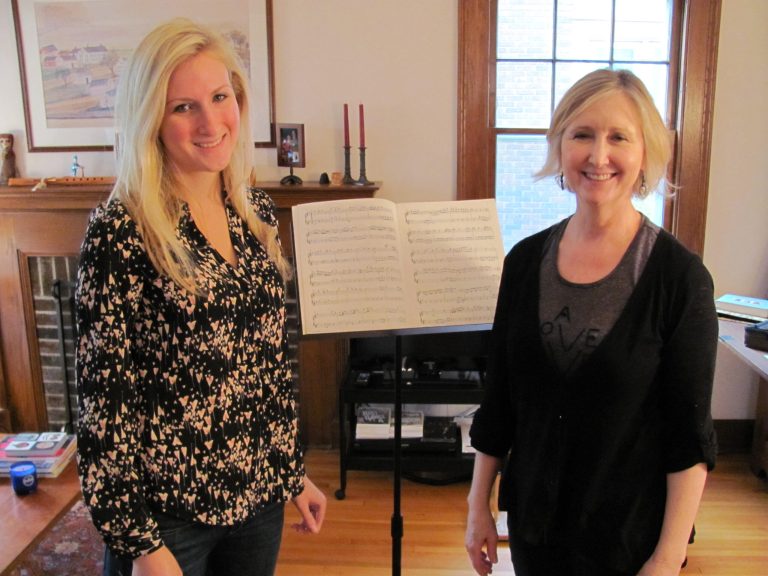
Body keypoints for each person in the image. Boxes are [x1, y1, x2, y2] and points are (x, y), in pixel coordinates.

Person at [75, 18, 326, 576]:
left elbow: (264, 367)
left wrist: (290, 472)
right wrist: (137, 542)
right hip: (168, 519)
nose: (211, 122)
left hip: (257, 500)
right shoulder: (121, 231)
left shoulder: (253, 213)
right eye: (183, 106)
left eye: (220, 97)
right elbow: (104, 406)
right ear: (152, 120)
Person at [465, 69, 717, 576]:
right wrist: (477, 507)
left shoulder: (680, 278)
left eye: (618, 137)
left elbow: (689, 436)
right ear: (560, 146)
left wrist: (668, 557)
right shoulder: (524, 262)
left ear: (645, 152)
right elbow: (500, 401)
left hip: (628, 539)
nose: (598, 156)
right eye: (582, 134)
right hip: (534, 526)